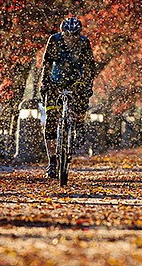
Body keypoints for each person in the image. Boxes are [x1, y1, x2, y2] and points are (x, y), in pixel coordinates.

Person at [38, 16, 96, 178]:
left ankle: (79, 124)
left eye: (74, 35)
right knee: (51, 120)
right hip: (56, 80)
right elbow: (47, 63)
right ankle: (52, 161)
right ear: (62, 33)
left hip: (76, 79)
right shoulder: (54, 41)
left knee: (80, 101)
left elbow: (90, 67)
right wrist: (44, 84)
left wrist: (87, 85)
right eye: (67, 35)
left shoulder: (84, 43)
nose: (71, 38)